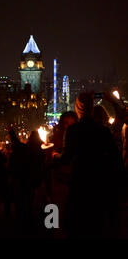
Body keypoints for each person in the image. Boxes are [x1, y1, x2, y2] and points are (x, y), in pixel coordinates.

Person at [58, 92, 123, 237]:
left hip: (79, 184)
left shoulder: (73, 131)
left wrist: (55, 157)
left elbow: (66, 159)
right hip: (97, 185)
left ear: (77, 108)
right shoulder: (103, 131)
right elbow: (114, 158)